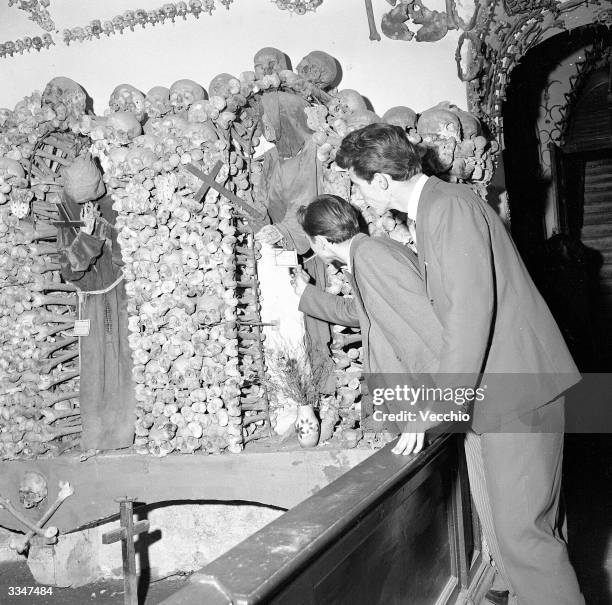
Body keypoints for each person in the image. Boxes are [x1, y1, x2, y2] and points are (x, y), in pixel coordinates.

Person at [334, 123, 585, 605]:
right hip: (506, 393)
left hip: (518, 393)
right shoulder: (436, 210)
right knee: (521, 541)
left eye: (357, 181)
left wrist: (434, 405)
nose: (357, 192)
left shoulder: (448, 207)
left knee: (526, 543)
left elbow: (470, 317)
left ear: (382, 181)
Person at [293, 194, 445, 453]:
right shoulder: (371, 251)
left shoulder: (371, 257)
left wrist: (428, 407)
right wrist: (307, 294)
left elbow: (425, 326)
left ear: (319, 241)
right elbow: (361, 311)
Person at [57, 153, 136, 451]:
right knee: (94, 369)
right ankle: (96, 437)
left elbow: (123, 251)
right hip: (91, 302)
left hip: (119, 296)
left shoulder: (114, 204)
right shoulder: (66, 212)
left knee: (123, 363)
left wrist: (105, 231)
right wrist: (88, 235)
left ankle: (123, 435)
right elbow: (69, 268)